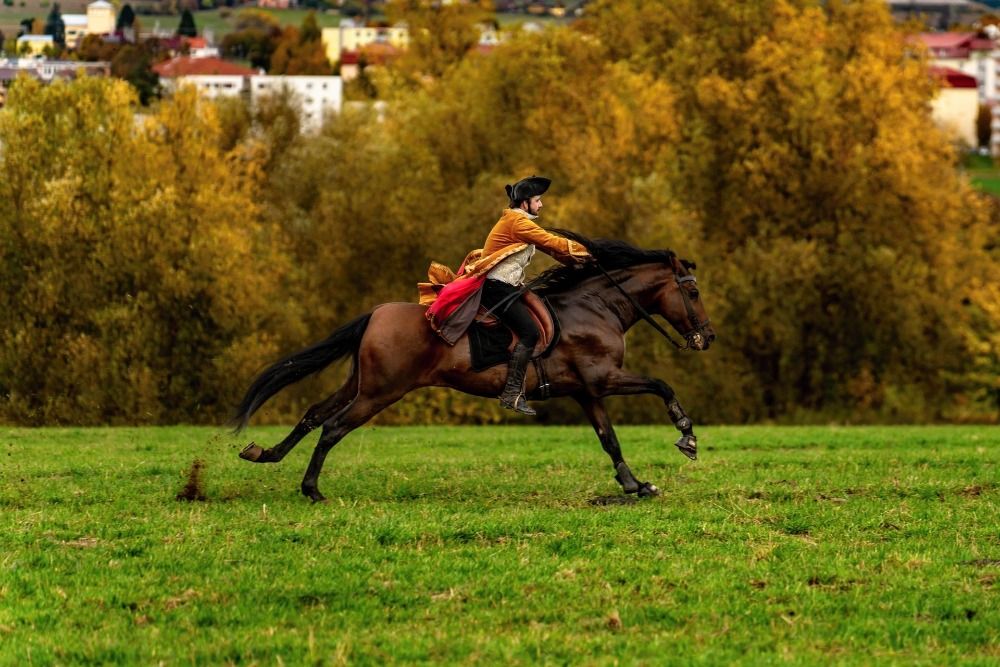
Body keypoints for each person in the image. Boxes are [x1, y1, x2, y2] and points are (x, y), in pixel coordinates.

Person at [477, 176, 591, 414]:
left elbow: (548, 247)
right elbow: (549, 240)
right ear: (525, 203)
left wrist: (573, 261)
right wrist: (586, 252)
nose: (541, 205)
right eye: (538, 200)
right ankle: (512, 393)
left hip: (507, 285)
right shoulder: (518, 223)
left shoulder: (518, 221)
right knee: (529, 333)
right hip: (497, 287)